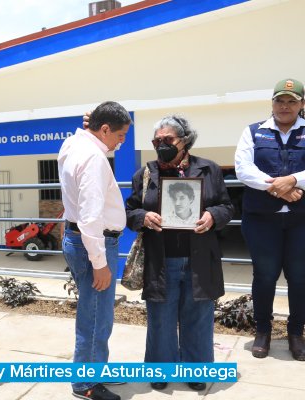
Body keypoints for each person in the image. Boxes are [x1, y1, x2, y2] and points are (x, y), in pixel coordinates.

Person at [125, 115, 233, 392]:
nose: (161, 146)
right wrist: (143, 216)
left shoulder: (208, 169)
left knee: (198, 317)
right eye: (156, 141)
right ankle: (161, 369)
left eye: (167, 140)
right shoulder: (145, 174)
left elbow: (226, 207)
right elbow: (129, 211)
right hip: (162, 259)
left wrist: (212, 215)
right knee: (160, 318)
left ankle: (195, 370)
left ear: (184, 141)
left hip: (199, 258)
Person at [58, 101, 131, 400]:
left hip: (81, 240)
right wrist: (100, 263)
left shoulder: (74, 143)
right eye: (120, 135)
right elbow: (90, 218)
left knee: (97, 313)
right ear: (104, 129)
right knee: (96, 316)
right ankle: (85, 383)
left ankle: (96, 368)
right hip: (94, 244)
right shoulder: (92, 158)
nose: (121, 141)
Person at [235, 78, 305, 361]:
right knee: (264, 277)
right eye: (280, 100)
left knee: (300, 278)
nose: (284, 106)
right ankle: (262, 331)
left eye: (291, 101)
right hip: (262, 220)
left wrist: (294, 179)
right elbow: (242, 168)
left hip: (301, 220)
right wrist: (277, 187)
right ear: (272, 103)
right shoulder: (253, 132)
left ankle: (296, 333)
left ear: (302, 104)